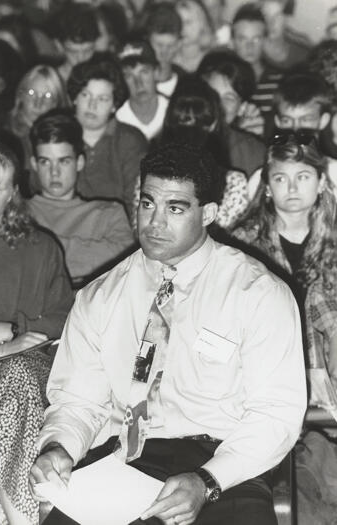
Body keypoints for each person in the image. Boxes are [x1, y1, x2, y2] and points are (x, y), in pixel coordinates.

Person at [30, 141, 306, 525]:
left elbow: (276, 416)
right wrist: (60, 448)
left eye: (175, 208)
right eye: (147, 204)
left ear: (208, 212)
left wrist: (208, 480)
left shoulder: (257, 293)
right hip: (120, 462)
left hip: (223, 467)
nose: (154, 223)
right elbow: (78, 401)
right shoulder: (101, 296)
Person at [231, 132, 337, 525]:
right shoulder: (242, 241)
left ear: (322, 182)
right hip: (266, 367)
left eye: (303, 176)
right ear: (268, 187)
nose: (292, 188)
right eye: (281, 178)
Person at [0, 144, 73, 525]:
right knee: (20, 387)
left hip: (29, 370)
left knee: (20, 376)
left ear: (13, 192)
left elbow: (65, 314)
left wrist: (14, 335)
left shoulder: (39, 245)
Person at [28, 109, 135, 287]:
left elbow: (125, 263)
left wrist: (39, 250)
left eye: (64, 161)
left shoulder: (109, 213)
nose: (54, 172)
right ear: (34, 164)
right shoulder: (20, 212)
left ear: (79, 162)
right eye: (45, 161)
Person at [159, 74, 250, 229]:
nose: (190, 133)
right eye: (184, 121)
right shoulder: (235, 183)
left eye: (199, 121)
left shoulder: (233, 183)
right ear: (214, 124)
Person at [67, 52, 148, 224]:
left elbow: (136, 204)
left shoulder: (130, 141)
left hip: (116, 233)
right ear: (74, 98)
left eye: (102, 99)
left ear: (114, 105)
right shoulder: (60, 137)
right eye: (85, 95)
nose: (92, 105)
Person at [247, 71, 337, 199]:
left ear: (323, 121)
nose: (295, 130)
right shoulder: (262, 177)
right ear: (278, 121)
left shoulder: (334, 173)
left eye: (305, 120)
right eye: (287, 121)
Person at [4, 64, 70, 196]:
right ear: (20, 95)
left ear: (57, 102)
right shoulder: (6, 136)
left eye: (47, 96)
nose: (38, 103)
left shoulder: (66, 138)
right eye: (32, 93)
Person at [231, 2, 282, 124]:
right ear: (232, 42)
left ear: (265, 40)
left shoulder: (280, 81)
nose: (250, 46)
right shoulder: (224, 81)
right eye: (242, 39)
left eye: (256, 38)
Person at [197, 48, 266, 137]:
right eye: (212, 93)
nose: (218, 104)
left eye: (229, 98)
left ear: (242, 107)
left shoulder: (247, 146)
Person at [116, 39, 169, 142]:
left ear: (156, 72)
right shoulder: (118, 120)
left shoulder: (172, 112)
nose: (138, 83)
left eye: (144, 72)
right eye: (129, 76)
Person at [50, 2, 100, 82]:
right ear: (58, 45)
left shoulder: (103, 78)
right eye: (73, 52)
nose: (81, 58)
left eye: (88, 50)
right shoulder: (48, 84)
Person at [144, 2, 183, 98]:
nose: (164, 53)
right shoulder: (134, 83)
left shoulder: (187, 84)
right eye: (159, 45)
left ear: (179, 44)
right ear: (147, 42)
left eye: (170, 46)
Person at [260, 0, 311, 71]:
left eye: (277, 16)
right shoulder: (253, 51)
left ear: (287, 19)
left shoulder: (302, 50)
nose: (271, 23)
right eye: (266, 16)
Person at [173, 0, 213, 73]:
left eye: (188, 22)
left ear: (202, 24)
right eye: (179, 21)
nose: (182, 27)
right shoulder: (169, 61)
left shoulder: (212, 61)